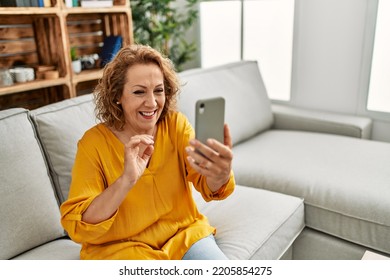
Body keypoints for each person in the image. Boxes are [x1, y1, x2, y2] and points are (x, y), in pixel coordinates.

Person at [60, 44, 235, 260]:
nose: (152, 103)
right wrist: (126, 180)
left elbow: (207, 183)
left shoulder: (175, 125)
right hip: (123, 249)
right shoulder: (93, 144)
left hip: (184, 236)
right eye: (139, 92)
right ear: (117, 96)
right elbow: (80, 225)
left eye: (158, 90)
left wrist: (220, 174)